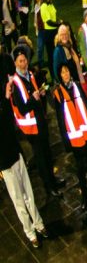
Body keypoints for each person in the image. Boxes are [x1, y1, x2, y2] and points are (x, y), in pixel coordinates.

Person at [7, 45, 63, 196]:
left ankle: (53, 179)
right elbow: (22, 108)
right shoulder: (16, 83)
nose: (23, 64)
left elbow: (35, 97)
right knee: (41, 158)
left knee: (47, 152)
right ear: (15, 63)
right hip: (31, 129)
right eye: (20, 61)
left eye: (24, 60)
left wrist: (42, 94)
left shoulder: (30, 75)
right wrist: (33, 99)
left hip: (40, 122)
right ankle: (48, 186)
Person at [52, 61, 87, 213]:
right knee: (80, 169)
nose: (66, 74)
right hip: (75, 139)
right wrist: (66, 141)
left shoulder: (77, 86)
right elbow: (61, 120)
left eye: (67, 71)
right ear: (59, 75)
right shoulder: (58, 94)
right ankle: (85, 198)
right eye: (62, 72)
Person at [1, 77, 47, 247]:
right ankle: (30, 232)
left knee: (28, 192)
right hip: (5, 164)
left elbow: (9, 114)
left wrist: (7, 94)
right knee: (18, 200)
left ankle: (38, 223)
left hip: (16, 154)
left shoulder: (3, 105)